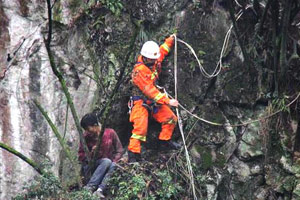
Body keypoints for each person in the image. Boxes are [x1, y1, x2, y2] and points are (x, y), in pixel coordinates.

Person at [128, 34, 181, 162]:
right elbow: (150, 91)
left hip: (153, 103)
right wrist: (168, 101)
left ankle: (164, 142)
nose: (154, 61)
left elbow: (162, 51)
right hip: (140, 102)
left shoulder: (154, 60)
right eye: (151, 60)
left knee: (171, 118)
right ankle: (133, 154)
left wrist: (170, 41)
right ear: (145, 58)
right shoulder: (139, 71)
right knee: (140, 129)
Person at [78, 113, 123, 198]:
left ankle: (100, 190)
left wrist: (115, 161)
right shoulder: (86, 136)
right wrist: (91, 153)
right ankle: (90, 187)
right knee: (106, 161)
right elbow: (81, 155)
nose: (87, 131)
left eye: (88, 129)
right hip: (92, 167)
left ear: (95, 125)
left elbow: (119, 150)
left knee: (113, 164)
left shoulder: (110, 133)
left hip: (108, 166)